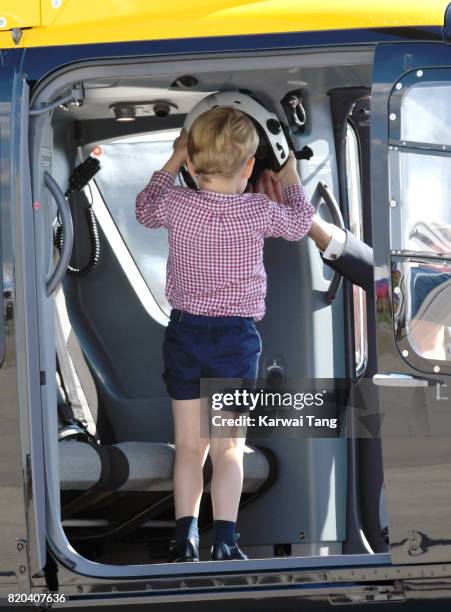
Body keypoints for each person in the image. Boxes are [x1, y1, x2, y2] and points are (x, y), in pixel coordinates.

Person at [135, 106, 321, 563]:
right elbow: (299, 223)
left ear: (194, 166)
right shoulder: (258, 210)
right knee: (229, 449)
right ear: (248, 167)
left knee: (189, 447)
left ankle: (185, 539)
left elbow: (143, 208)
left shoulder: (176, 204)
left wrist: (174, 159)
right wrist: (292, 175)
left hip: (184, 334)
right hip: (236, 340)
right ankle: (226, 539)